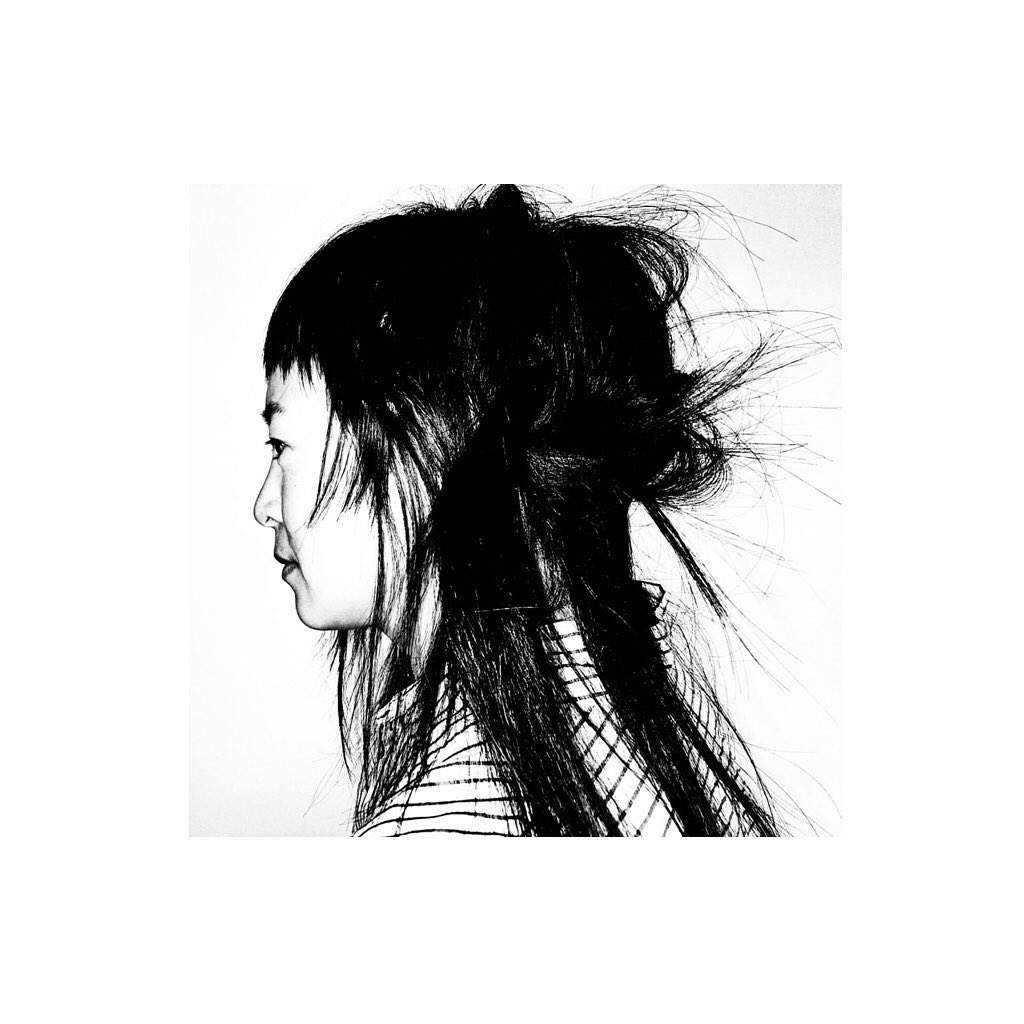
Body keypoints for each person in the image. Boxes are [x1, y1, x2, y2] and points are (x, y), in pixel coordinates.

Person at [254, 184, 784, 837]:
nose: (264, 506)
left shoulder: (436, 829)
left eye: (281, 445)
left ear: (422, 446)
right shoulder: (638, 710)